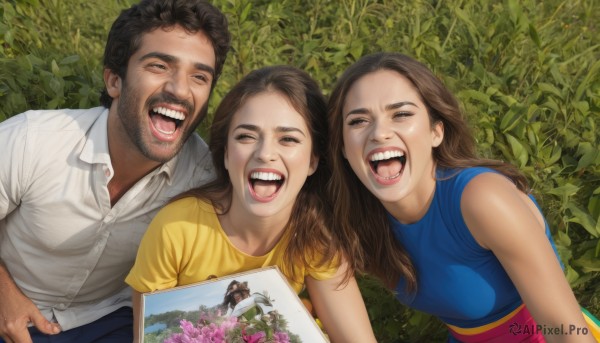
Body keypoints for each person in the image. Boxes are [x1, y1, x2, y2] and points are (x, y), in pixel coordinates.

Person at [326, 52, 598, 342]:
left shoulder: (481, 198)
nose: (380, 133)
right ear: (343, 147)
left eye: (401, 114)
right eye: (358, 121)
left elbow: (568, 332)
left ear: (436, 131)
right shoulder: (356, 218)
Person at [0, 0, 230, 342]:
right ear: (114, 81)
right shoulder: (31, 139)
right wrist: (5, 296)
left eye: (199, 76)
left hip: (110, 319)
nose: (180, 89)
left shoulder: (203, 178)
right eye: (159, 65)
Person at [125, 65, 377, 343]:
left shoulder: (317, 236)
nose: (265, 153)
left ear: (313, 160)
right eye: (246, 136)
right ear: (225, 154)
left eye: (288, 139)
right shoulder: (175, 228)